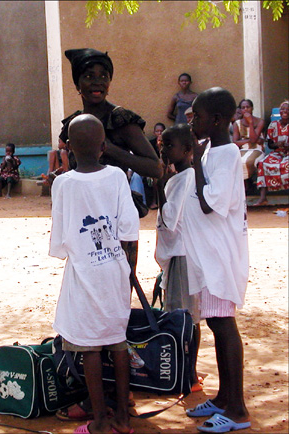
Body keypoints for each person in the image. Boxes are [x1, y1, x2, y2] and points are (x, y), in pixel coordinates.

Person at [56, 47, 162, 421]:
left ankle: (120, 398)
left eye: (103, 74)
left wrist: (111, 149)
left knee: (116, 305)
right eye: (88, 76)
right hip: (87, 234)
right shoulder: (72, 124)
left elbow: (155, 166)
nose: (96, 81)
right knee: (88, 311)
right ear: (78, 84)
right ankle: (97, 396)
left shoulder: (121, 120)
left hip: (121, 228)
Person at [49, 114, 139, 434]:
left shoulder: (62, 183)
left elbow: (60, 242)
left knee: (88, 347)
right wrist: (126, 269)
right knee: (117, 342)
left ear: (69, 147)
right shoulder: (116, 176)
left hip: (84, 273)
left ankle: (100, 420)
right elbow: (129, 228)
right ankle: (124, 419)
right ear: (103, 147)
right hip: (115, 269)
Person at [184, 87, 251, 433]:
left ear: (219, 120)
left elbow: (211, 203)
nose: (190, 119)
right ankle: (224, 397)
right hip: (208, 259)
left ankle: (237, 409)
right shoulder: (212, 150)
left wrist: (195, 161)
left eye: (197, 115)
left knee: (225, 327)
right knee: (215, 324)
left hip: (221, 259)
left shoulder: (226, 155)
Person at [155, 124, 203, 393]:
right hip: (179, 255)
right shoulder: (180, 177)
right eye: (162, 145)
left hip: (183, 256)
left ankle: (190, 375)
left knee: (184, 318)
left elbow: (170, 219)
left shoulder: (185, 179)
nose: (163, 150)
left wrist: (160, 184)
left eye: (169, 146)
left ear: (186, 150)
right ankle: (188, 371)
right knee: (186, 317)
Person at [253, 100, 289, 206]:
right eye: (283, 109)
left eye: (287, 109)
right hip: (278, 152)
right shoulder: (273, 125)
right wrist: (277, 144)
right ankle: (263, 198)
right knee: (263, 163)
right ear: (280, 111)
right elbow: (270, 144)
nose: (285, 111)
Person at [232, 99, 265, 188]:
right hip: (243, 150)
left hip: (256, 149)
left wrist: (250, 122)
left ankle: (248, 182)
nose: (246, 109)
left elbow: (254, 140)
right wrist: (248, 140)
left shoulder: (259, 121)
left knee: (248, 161)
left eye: (248, 107)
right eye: (243, 108)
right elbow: (235, 142)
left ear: (252, 108)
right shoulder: (237, 123)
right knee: (234, 161)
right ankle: (244, 185)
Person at [148, 122, 166, 210]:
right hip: (154, 168)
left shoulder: (168, 143)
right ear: (154, 132)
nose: (159, 133)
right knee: (156, 177)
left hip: (166, 167)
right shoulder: (150, 144)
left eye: (161, 131)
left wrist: (160, 147)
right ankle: (154, 201)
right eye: (157, 131)